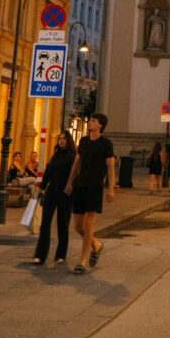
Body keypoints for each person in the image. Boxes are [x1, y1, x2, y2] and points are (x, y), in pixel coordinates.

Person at [65, 112, 115, 275]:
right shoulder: (84, 141)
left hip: (95, 186)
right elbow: (77, 162)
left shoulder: (106, 143)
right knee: (78, 226)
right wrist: (69, 182)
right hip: (80, 185)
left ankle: (82, 261)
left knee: (88, 225)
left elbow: (110, 167)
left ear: (100, 125)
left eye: (93, 121)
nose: (89, 122)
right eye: (90, 120)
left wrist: (111, 188)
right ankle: (96, 245)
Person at [31, 131, 76, 265]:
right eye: (59, 139)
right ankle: (40, 254)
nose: (61, 141)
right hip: (52, 192)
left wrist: (71, 188)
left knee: (63, 224)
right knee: (45, 223)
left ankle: (60, 254)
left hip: (65, 194)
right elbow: (48, 172)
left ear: (68, 141)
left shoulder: (72, 157)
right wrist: (41, 188)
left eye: (64, 139)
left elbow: (75, 176)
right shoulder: (55, 156)